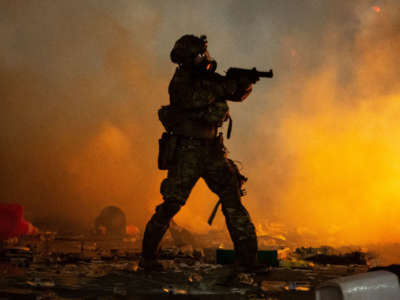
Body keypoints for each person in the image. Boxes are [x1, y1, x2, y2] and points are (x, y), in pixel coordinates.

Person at [141, 34, 258, 272]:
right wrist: (225, 87)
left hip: (212, 150)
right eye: (200, 55)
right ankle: (148, 257)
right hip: (188, 151)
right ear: (190, 58)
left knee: (232, 199)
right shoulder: (181, 82)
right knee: (172, 203)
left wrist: (245, 83)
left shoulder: (207, 78)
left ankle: (248, 260)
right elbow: (199, 98)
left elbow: (233, 93)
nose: (205, 58)